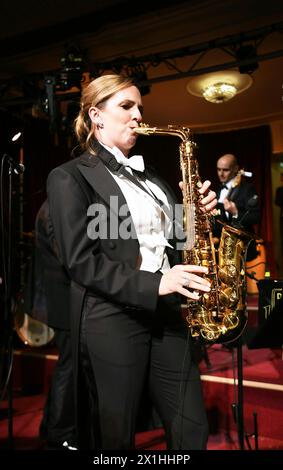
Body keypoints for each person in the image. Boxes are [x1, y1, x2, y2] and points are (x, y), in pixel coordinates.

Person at [46, 74, 217, 450]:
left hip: (168, 312)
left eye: (140, 107)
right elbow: (80, 262)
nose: (138, 115)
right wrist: (155, 283)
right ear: (97, 115)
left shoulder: (152, 178)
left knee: (192, 429)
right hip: (111, 317)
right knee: (115, 436)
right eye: (126, 106)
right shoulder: (70, 177)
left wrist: (197, 215)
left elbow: (179, 241)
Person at [34, 200, 76, 449]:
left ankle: (51, 425)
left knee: (67, 365)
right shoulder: (55, 208)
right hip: (63, 302)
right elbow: (67, 258)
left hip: (60, 300)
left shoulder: (51, 206)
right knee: (68, 367)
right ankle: (59, 432)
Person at [213, 153, 260, 262]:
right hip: (224, 250)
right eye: (218, 169)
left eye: (225, 170)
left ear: (235, 169)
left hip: (242, 249)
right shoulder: (217, 191)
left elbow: (256, 217)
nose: (221, 173)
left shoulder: (247, 189)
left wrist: (235, 213)